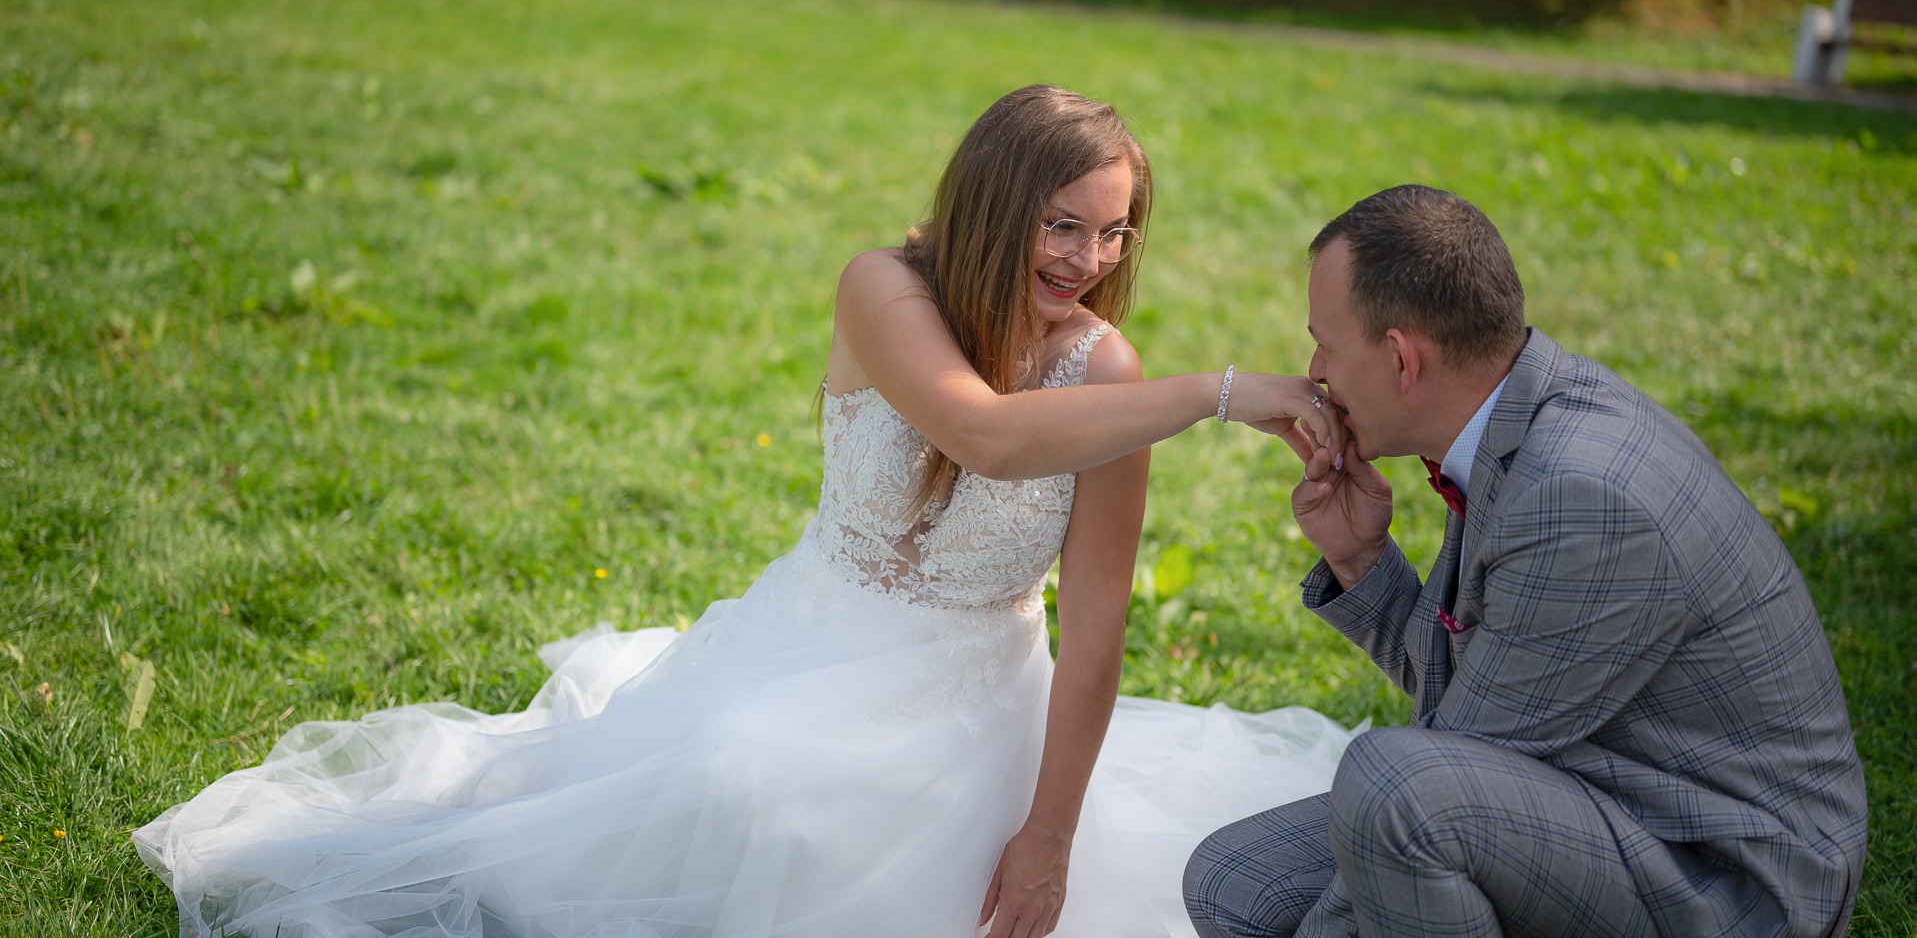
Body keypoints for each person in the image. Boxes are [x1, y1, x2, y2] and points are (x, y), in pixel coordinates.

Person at [136, 85, 1362, 938]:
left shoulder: (1106, 376)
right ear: (994, 207)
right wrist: (1220, 393)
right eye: (1061, 225)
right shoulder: (886, 288)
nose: (1088, 258)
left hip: (977, 698)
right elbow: (979, 431)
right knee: (744, 780)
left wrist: (1047, 834)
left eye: (1112, 232)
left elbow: (1098, 624)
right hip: (812, 640)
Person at [1184, 184, 1868, 938]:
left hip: (1724, 878)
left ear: (1401, 357)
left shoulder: (1579, 496)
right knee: (1234, 884)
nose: (1314, 370)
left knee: (1390, 785)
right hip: (1596, 796)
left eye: (1325, 343)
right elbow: (1464, 717)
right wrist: (1360, 559)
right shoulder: (1510, 419)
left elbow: (1430, 783)